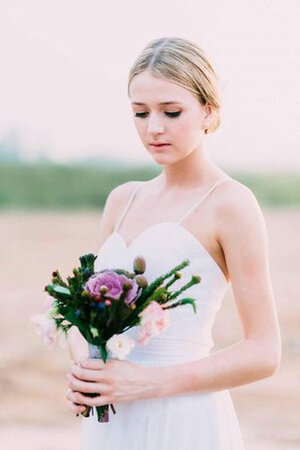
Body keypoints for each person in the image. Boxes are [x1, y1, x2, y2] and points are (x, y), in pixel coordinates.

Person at [66, 36, 281, 449]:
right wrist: (85, 368)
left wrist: (145, 383)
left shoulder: (231, 204)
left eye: (172, 111)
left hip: (185, 419)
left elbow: (264, 352)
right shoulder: (122, 199)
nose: (154, 128)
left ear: (209, 111)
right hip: (112, 420)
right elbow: (83, 315)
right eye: (140, 113)